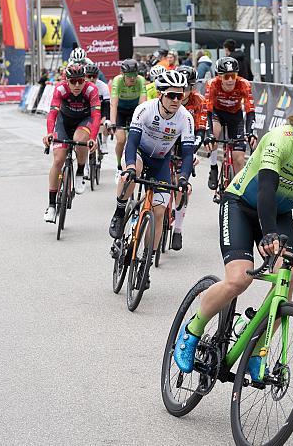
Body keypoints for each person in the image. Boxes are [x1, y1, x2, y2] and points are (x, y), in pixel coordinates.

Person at [173, 87, 293, 378]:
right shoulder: (280, 140)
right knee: (239, 279)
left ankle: (256, 347)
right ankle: (192, 329)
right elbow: (265, 189)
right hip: (241, 204)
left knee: (288, 277)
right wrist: (269, 234)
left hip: (278, 213)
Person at [108, 71, 195, 288]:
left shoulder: (185, 118)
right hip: (139, 153)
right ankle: (120, 212)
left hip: (160, 162)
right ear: (160, 95)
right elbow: (132, 141)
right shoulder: (145, 110)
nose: (177, 100)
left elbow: (186, 154)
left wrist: (183, 178)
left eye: (180, 95)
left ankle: (146, 262)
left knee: (158, 211)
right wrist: (128, 166)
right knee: (131, 173)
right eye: (172, 95)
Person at [42, 63, 100, 222]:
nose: (77, 85)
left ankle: (80, 171)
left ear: (85, 80)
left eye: (80, 81)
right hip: (64, 122)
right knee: (58, 160)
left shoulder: (91, 90)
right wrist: (49, 132)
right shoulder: (60, 89)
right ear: (66, 80)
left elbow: (96, 116)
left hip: (84, 120)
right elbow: (53, 113)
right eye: (73, 81)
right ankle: (52, 205)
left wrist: (93, 138)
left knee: (79, 140)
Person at [166, 65, 207, 251]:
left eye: (189, 87)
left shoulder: (199, 101)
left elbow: (200, 131)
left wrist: (192, 153)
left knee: (182, 187)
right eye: (182, 88)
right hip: (166, 141)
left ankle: (178, 229)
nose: (185, 92)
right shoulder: (168, 99)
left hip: (187, 143)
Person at [203, 56, 256, 192]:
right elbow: (207, 110)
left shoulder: (244, 84)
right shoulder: (212, 84)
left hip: (235, 116)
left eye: (233, 75)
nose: (231, 80)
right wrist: (208, 135)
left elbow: (250, 110)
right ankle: (214, 167)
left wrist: (250, 131)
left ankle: (238, 191)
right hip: (217, 113)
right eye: (226, 77)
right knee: (214, 132)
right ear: (219, 76)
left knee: (239, 159)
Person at [107, 59, 147, 182]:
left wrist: (143, 122)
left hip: (134, 110)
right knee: (121, 140)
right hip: (121, 111)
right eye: (129, 76)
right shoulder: (117, 81)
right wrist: (113, 123)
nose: (133, 78)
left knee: (137, 139)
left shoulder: (140, 80)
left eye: (135, 75)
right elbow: (113, 104)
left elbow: (143, 104)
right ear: (123, 74)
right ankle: (119, 166)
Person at [84, 62, 110, 154]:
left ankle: (104, 143)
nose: (91, 79)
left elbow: (107, 104)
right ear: (85, 76)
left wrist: (105, 117)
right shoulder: (81, 85)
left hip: (101, 108)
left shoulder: (103, 86)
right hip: (87, 110)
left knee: (107, 123)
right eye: (89, 76)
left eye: (94, 76)